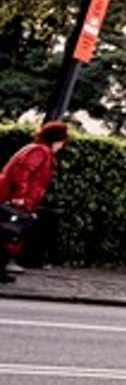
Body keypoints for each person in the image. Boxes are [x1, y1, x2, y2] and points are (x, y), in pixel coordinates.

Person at [0, 121, 70, 282]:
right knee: (8, 233)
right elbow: (23, 172)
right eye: (62, 141)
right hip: (14, 198)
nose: (62, 146)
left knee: (8, 233)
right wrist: (20, 196)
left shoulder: (36, 149)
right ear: (56, 140)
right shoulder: (40, 151)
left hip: (13, 197)